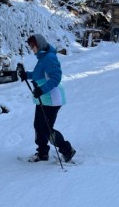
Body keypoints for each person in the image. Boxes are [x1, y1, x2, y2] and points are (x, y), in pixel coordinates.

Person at [17, 34, 76, 163]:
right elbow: (39, 74)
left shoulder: (49, 57)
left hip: (52, 99)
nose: (32, 49)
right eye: (31, 47)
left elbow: (56, 77)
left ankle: (67, 150)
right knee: (38, 126)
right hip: (43, 98)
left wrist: (42, 89)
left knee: (46, 128)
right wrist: (25, 75)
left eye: (34, 46)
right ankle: (42, 152)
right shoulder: (43, 57)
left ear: (40, 44)